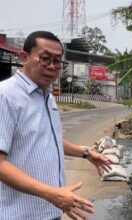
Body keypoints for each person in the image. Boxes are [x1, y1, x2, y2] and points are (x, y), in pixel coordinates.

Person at [0, 31, 112, 220]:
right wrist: (52, 194)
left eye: (57, 61)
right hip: (20, 214)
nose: (52, 66)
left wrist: (85, 153)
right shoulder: (6, 96)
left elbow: (47, 139)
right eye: (45, 59)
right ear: (24, 57)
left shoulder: (47, 96)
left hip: (50, 211)